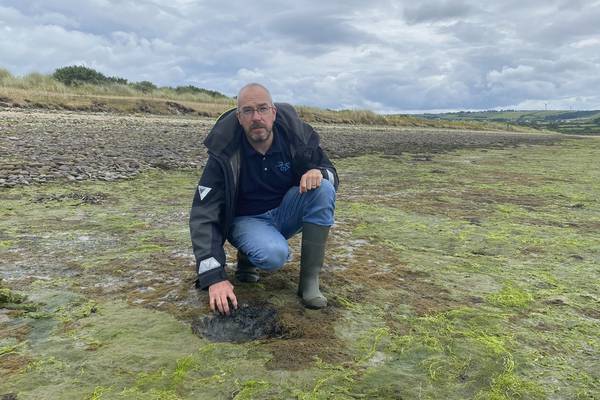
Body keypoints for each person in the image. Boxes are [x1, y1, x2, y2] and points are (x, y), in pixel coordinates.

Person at [189, 83, 339, 315]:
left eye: (262, 109)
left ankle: (309, 282)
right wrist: (213, 277)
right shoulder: (224, 150)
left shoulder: (296, 136)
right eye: (248, 111)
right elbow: (203, 214)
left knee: (324, 188)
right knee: (274, 255)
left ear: (274, 112)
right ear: (239, 117)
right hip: (247, 221)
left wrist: (317, 171)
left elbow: (331, 172)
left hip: (285, 212)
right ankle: (248, 255)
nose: (256, 117)